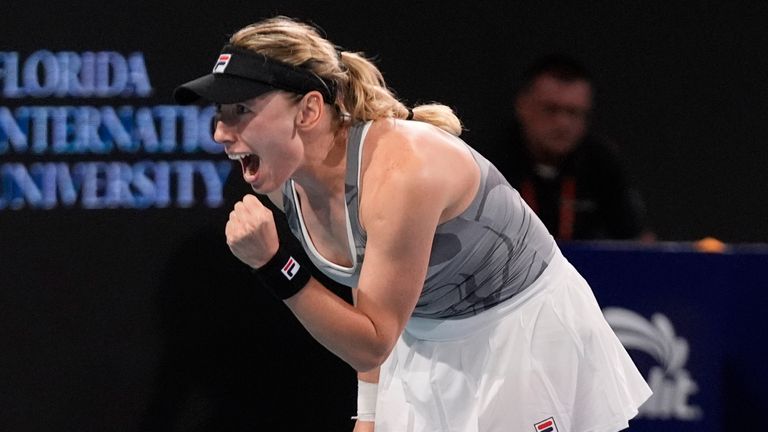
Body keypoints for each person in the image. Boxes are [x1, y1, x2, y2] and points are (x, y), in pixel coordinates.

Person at [173, 16, 651, 432]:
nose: (220, 132)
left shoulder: (402, 175)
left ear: (310, 110)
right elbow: (370, 293)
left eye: (241, 111)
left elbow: (372, 342)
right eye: (220, 113)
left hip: (519, 339)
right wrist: (369, 414)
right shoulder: (286, 178)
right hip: (420, 339)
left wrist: (276, 264)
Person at [494, 54, 654, 241]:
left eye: (574, 112)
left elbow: (639, 243)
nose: (563, 123)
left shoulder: (603, 164)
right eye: (551, 109)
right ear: (522, 106)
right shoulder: (488, 162)